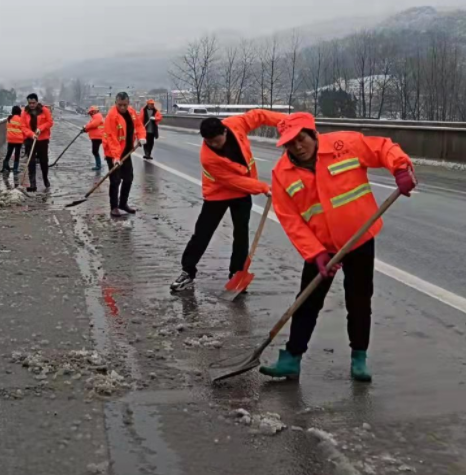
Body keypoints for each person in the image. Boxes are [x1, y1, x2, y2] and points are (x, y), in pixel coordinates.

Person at [259, 112, 417, 382]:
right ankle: (291, 359)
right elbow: (290, 220)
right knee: (306, 301)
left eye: (301, 138)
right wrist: (315, 253)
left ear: (312, 133)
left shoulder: (345, 145)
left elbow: (383, 148)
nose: (297, 146)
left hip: (358, 238)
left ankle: (359, 357)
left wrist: (400, 167)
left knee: (358, 298)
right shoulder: (282, 173)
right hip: (321, 247)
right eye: (289, 143)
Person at [170, 109, 287, 292]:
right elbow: (234, 182)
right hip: (218, 193)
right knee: (203, 233)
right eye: (210, 142)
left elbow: (259, 116)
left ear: (224, 131)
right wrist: (263, 188)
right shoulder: (208, 157)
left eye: (217, 141)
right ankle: (187, 271)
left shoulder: (235, 124)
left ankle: (237, 273)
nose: (214, 145)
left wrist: (287, 123)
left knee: (241, 234)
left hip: (242, 194)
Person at [102, 92, 146, 217]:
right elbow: (112, 138)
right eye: (120, 105)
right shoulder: (112, 116)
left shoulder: (131, 112)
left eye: (125, 105)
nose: (122, 107)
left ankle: (123, 203)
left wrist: (141, 137)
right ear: (115, 103)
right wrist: (116, 157)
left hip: (126, 151)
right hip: (113, 152)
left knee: (128, 178)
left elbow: (139, 125)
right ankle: (114, 207)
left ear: (128, 104)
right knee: (115, 180)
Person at [21, 93, 54, 192]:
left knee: (44, 161)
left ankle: (45, 178)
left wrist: (40, 128)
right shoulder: (24, 112)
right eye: (30, 103)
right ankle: (32, 184)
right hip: (30, 140)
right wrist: (31, 134)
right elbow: (23, 127)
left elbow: (50, 122)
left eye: (33, 103)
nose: (31, 105)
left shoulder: (45, 110)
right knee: (31, 161)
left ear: (37, 102)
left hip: (43, 139)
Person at [1, 106, 24, 174]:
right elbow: (23, 129)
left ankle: (4, 166)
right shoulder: (20, 119)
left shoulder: (9, 119)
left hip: (10, 139)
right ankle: (15, 169)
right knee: (17, 154)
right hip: (18, 139)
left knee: (9, 153)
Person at [84, 106, 105, 171]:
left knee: (95, 151)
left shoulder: (97, 116)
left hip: (97, 137)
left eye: (91, 112)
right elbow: (90, 125)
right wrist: (85, 129)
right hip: (96, 137)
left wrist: (86, 128)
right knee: (95, 151)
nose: (90, 114)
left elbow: (93, 125)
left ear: (94, 111)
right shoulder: (95, 117)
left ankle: (98, 165)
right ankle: (98, 164)